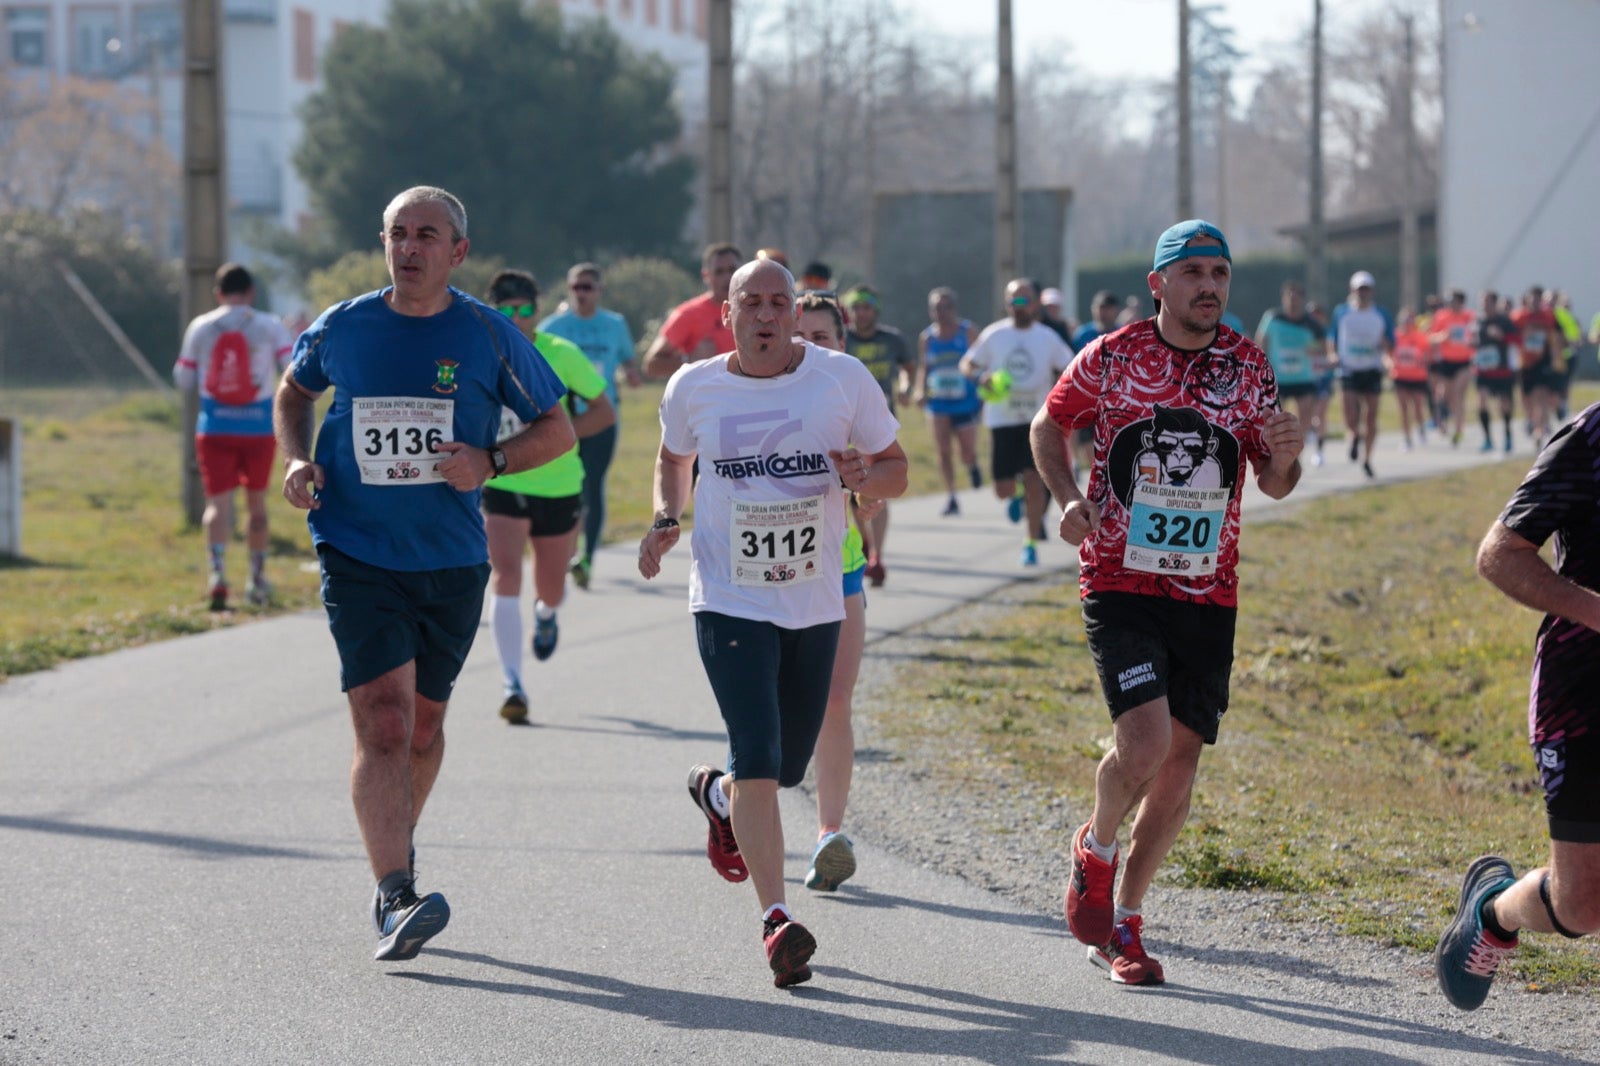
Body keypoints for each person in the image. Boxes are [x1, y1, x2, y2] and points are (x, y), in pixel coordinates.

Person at [273, 186, 573, 961]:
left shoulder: (489, 333)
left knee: (426, 728)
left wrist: (493, 459)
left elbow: (559, 427)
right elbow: (293, 393)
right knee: (385, 721)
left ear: (457, 252)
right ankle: (395, 892)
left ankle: (395, 850)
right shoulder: (344, 325)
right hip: (356, 547)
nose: (409, 248)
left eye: (427, 235)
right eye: (398, 234)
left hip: (450, 558)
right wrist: (299, 457)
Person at [1030, 218, 1303, 986]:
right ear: (1160, 285)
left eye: (1219, 272)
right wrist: (1064, 497)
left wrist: (1287, 455)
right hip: (1119, 578)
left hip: (1208, 592)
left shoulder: (1248, 367)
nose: (1209, 286)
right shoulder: (1114, 357)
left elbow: (1275, 482)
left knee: (1180, 765)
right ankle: (1098, 846)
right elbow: (1048, 424)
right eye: (1193, 273)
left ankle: (1125, 923)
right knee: (1145, 745)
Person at [638, 257, 906, 988]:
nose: (764, 314)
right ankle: (776, 921)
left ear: (795, 312)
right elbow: (672, 457)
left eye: (777, 302)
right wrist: (666, 517)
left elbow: (896, 467)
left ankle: (719, 797)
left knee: (787, 766)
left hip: (814, 598)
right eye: (749, 302)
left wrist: (865, 479)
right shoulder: (693, 385)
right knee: (758, 751)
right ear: (726, 314)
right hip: (728, 598)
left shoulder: (842, 380)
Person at [1435, 406, 1600, 1011]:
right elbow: (1499, 554)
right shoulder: (1590, 437)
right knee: (1584, 905)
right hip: (1583, 693)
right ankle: (1494, 910)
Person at [485, 270, 616, 721]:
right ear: (494, 312)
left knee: (551, 588)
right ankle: (511, 684)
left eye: (524, 310)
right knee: (505, 576)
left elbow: (604, 411)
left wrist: (555, 435)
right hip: (502, 480)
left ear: (536, 312)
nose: (516, 319)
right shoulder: (481, 353)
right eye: (507, 311)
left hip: (558, 484)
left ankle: (545, 615)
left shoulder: (561, 353)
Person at [795, 290, 886, 893]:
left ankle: (829, 834)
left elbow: (877, 488)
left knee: (833, 702)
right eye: (796, 336)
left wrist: (867, 488)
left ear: (841, 345)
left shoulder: (852, 399)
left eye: (820, 338)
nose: (806, 349)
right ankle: (728, 795)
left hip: (839, 569)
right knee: (772, 714)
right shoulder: (747, 391)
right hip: (758, 582)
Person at [174, 262, 295, 610]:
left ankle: (217, 575)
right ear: (251, 292)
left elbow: (183, 378)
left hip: (214, 428)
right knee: (256, 505)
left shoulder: (201, 326)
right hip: (258, 428)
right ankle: (256, 581)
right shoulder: (269, 325)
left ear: (218, 293)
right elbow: (291, 369)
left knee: (217, 506)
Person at [537, 262, 638, 590]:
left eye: (588, 287)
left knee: (593, 487)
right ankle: (562, 550)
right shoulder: (553, 326)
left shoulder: (614, 324)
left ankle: (586, 558)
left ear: (599, 291)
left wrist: (632, 374)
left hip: (601, 419)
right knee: (570, 488)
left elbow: (627, 360)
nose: (582, 294)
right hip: (561, 421)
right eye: (576, 287)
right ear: (569, 290)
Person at [960, 277, 1073, 567]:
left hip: (1037, 421)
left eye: (1023, 300)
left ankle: (1030, 543)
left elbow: (1071, 366)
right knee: (1002, 489)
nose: (1016, 306)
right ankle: (1016, 495)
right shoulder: (995, 335)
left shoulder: (1046, 337)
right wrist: (979, 377)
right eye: (1012, 300)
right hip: (1002, 419)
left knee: (1035, 480)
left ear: (1035, 304)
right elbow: (967, 363)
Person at [843, 284, 915, 586]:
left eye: (867, 307)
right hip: (845, 424)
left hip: (880, 425)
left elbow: (909, 367)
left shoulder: (892, 339)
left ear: (875, 310)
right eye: (856, 307)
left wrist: (908, 387)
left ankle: (878, 556)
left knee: (879, 488)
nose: (862, 313)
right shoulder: (841, 340)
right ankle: (866, 546)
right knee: (855, 491)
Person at [914, 286, 984, 516]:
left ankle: (972, 465)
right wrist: (919, 390)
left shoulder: (967, 331)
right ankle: (952, 496)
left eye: (945, 307)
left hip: (966, 401)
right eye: (936, 308)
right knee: (943, 451)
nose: (941, 312)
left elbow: (981, 360)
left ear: (954, 308)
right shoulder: (927, 337)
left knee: (967, 451)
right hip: (938, 403)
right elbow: (925, 367)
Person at [641, 242, 742, 378]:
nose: (727, 277)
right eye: (719, 272)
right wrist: (690, 360)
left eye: (732, 270)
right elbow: (651, 365)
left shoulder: (759, 309)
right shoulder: (688, 314)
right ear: (706, 275)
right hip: (707, 397)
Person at [1329, 270, 1393, 479]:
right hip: (1348, 368)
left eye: (1366, 289)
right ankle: (1354, 435)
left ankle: (1367, 459)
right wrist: (1332, 355)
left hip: (1372, 369)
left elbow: (1391, 341)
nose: (1362, 293)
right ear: (1352, 290)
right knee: (1349, 413)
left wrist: (1386, 348)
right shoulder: (1342, 312)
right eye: (1359, 289)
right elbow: (1333, 337)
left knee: (1371, 416)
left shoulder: (1381, 313)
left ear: (1371, 291)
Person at [1253, 280, 1325, 464]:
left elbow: (1325, 348)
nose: (1293, 300)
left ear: (1303, 299)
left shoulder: (1311, 323)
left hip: (1303, 378)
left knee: (1304, 420)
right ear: (1283, 298)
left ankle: (1295, 458)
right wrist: (1261, 368)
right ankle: (1276, 453)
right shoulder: (1273, 318)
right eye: (1289, 296)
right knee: (1275, 421)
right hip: (1278, 379)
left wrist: (1314, 351)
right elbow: (1261, 342)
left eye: (1297, 296)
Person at [1071, 291, 1124, 479]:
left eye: (1107, 308)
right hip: (1088, 398)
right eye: (1099, 308)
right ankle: (1083, 465)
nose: (1102, 312)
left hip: (1115, 399)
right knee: (1090, 449)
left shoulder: (1124, 333)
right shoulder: (1082, 334)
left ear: (1116, 311)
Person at [1472, 289, 1520, 454]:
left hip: (1502, 371)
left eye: (1487, 302)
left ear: (1494, 303)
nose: (1484, 305)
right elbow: (1471, 342)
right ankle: (1488, 439)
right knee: (1481, 402)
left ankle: (1507, 434)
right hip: (1483, 370)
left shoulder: (1504, 321)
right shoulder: (1477, 322)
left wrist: (1502, 336)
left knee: (1504, 405)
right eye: (1482, 302)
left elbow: (1517, 339)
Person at [1428, 289, 1477, 446]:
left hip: (1464, 361)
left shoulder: (1469, 316)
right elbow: (1431, 338)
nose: (1452, 304)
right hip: (1446, 361)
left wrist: (1473, 341)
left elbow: (1476, 336)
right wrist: (1443, 336)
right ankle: (1441, 419)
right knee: (1444, 395)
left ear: (1461, 302)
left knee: (1458, 394)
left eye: (1455, 301)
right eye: (1450, 301)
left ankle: (1458, 430)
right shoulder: (1441, 316)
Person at [1514, 286, 1562, 446]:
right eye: (1531, 299)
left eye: (1537, 299)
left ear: (1541, 300)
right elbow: (1510, 335)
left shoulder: (1548, 316)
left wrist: (1556, 357)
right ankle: (1531, 420)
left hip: (1543, 361)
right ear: (1527, 300)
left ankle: (1539, 430)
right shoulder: (1519, 316)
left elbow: (1556, 336)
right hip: (1525, 362)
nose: (1534, 302)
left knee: (1540, 395)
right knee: (1526, 397)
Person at [1388, 307, 1433, 450]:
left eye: (1410, 319)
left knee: (1418, 408)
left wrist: (1423, 360)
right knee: (1404, 408)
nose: (1407, 322)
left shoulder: (1419, 336)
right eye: (1405, 319)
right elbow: (1387, 353)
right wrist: (1389, 363)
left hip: (1417, 377)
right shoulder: (1394, 336)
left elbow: (1426, 355)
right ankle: (1407, 438)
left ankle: (1420, 428)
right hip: (1400, 376)